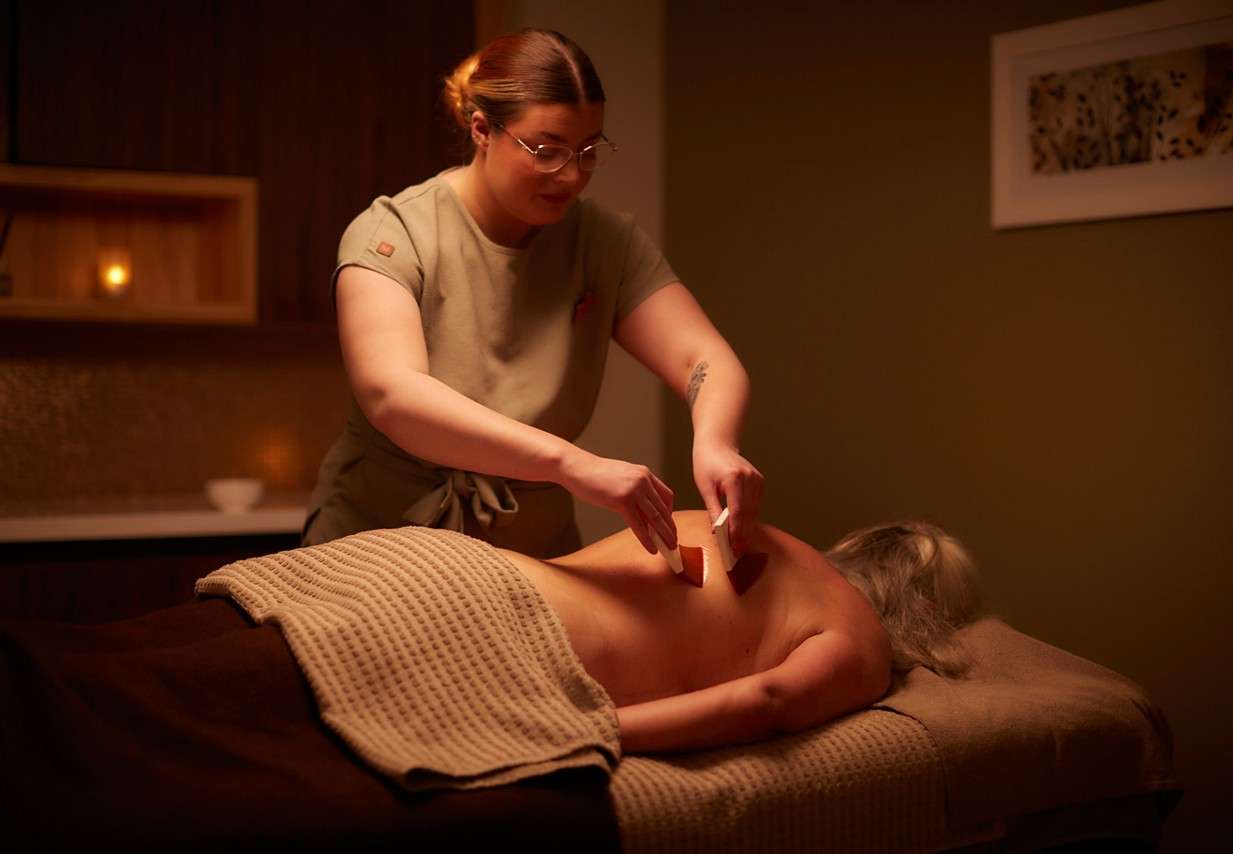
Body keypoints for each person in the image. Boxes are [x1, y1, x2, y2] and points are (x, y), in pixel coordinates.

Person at [303, 28, 763, 560]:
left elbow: (703, 358)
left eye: (588, 150)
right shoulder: (392, 234)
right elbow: (394, 395)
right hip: (383, 544)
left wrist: (716, 443)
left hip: (535, 556)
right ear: (482, 130)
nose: (570, 176)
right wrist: (568, 462)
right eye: (547, 151)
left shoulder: (602, 242)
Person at [496, 509, 983, 752]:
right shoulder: (861, 641)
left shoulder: (746, 530)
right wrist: (590, 733)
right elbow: (767, 701)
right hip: (520, 651)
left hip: (459, 565)